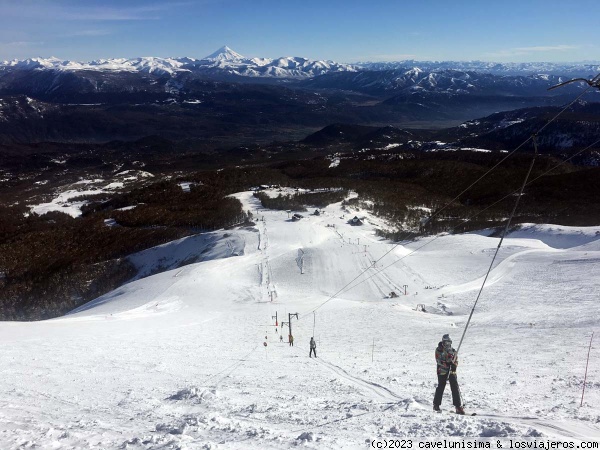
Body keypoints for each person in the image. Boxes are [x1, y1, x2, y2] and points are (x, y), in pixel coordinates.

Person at [433, 334, 465, 414]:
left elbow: (456, 360)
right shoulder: (439, 350)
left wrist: (454, 365)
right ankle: (436, 404)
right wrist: (447, 364)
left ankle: (458, 406)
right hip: (442, 371)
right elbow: (438, 361)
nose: (447, 344)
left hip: (451, 371)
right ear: (443, 342)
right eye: (446, 342)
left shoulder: (453, 351)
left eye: (449, 342)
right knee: (441, 386)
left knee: (454, 386)